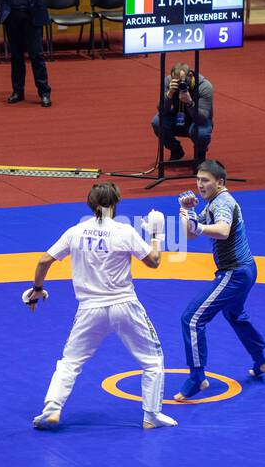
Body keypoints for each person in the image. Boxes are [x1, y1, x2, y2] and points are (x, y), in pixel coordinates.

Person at [27, 181, 174, 431]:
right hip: (124, 305)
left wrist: (37, 290)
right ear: (115, 203)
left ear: (90, 204)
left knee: (70, 362)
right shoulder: (124, 232)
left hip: (89, 309)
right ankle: (151, 415)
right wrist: (156, 236)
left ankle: (51, 409)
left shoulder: (75, 231)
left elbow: (43, 261)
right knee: (152, 361)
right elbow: (154, 262)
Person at [174, 160, 265, 401]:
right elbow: (190, 235)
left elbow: (223, 230)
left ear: (220, 183)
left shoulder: (224, 202)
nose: (200, 184)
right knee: (235, 314)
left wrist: (197, 225)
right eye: (197, 180)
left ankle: (197, 378)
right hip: (245, 269)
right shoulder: (212, 203)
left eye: (205, 180)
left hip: (234, 273)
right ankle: (261, 360)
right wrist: (187, 212)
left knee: (192, 319)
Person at [151, 63, 214, 161]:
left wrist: (189, 103)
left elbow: (203, 118)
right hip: (178, 118)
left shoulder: (205, 86)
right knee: (157, 122)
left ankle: (200, 155)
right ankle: (175, 149)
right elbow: (162, 110)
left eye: (181, 81)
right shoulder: (168, 82)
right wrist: (169, 94)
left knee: (202, 133)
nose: (178, 83)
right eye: (175, 80)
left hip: (197, 120)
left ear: (190, 76)